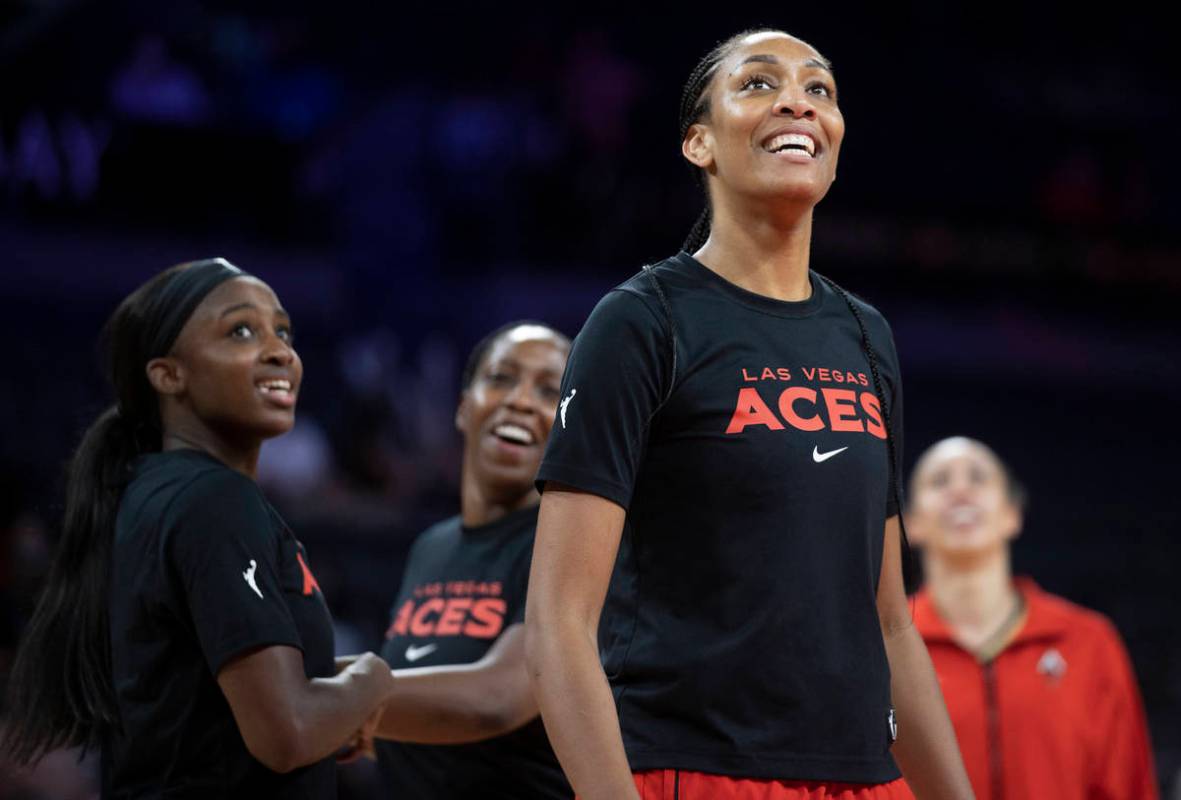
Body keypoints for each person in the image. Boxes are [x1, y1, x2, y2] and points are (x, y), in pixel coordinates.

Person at [524, 28, 976, 800]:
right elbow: (558, 622)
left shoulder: (867, 335)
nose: (798, 99)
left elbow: (890, 622)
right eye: (759, 84)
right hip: (697, 771)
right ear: (698, 142)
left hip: (863, 777)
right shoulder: (641, 321)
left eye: (819, 89)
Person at [1, 259, 397, 798]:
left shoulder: (151, 492)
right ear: (169, 374)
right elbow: (288, 734)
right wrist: (372, 680)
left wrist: (331, 695)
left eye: (282, 331)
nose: (280, 350)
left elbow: (209, 701)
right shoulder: (215, 501)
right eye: (241, 331)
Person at [371, 321, 573, 799]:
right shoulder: (431, 547)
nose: (520, 401)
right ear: (464, 407)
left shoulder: (572, 544)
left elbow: (496, 700)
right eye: (501, 378)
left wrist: (321, 694)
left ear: (573, 422)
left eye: (550, 391)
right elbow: (423, 725)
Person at [906, 436, 1158, 800]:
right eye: (940, 481)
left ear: (1012, 515)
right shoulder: (888, 649)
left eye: (978, 477)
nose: (960, 490)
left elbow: (1130, 784)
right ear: (912, 523)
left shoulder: (1088, 640)